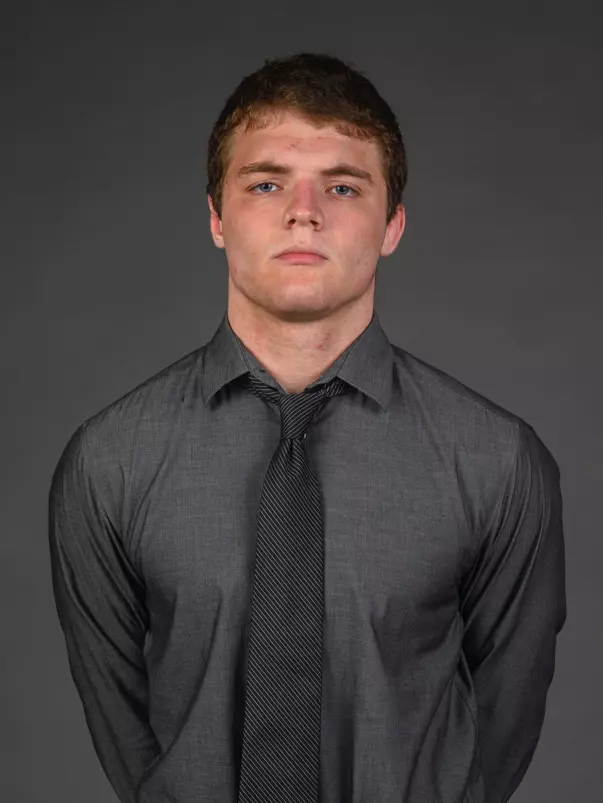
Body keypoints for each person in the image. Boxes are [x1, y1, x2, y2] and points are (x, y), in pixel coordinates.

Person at [48, 52, 567, 803]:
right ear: (216, 218)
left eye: (342, 185)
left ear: (391, 225)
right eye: (266, 183)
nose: (304, 211)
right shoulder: (108, 462)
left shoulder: (498, 462)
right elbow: (121, 721)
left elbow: (501, 720)